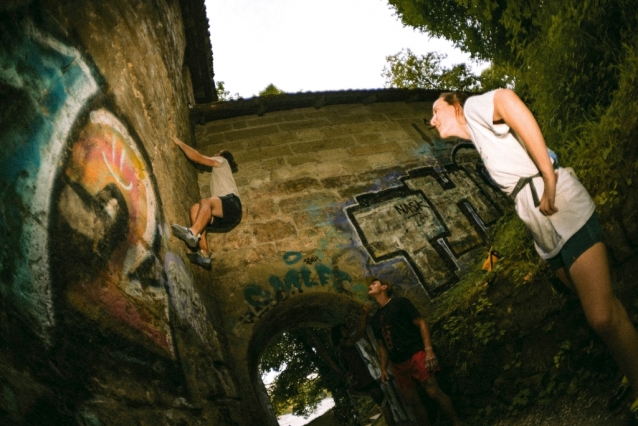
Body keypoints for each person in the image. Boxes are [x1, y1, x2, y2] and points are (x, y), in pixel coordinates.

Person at [430, 89, 638, 423]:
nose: (431, 118)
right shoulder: (480, 139)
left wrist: (550, 179)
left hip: (561, 208)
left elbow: (507, 99)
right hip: (544, 230)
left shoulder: (472, 107)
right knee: (604, 313)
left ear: (453, 104)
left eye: (436, 109)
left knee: (601, 316)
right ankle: (631, 374)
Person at [368, 277, 461, 426]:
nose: (370, 286)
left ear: (384, 287)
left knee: (433, 391)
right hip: (397, 363)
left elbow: (421, 322)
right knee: (412, 402)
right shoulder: (375, 319)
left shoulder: (400, 303)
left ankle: (457, 423)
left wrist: (428, 350)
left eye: (374, 283)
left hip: (415, 353)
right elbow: (381, 345)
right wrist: (383, 368)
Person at [170, 136, 242, 270]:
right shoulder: (221, 173)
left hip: (232, 204)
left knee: (205, 202)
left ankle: (192, 233)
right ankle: (204, 255)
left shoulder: (222, 160)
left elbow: (197, 157)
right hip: (226, 218)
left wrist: (179, 142)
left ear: (221, 155)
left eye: (217, 152)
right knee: (196, 209)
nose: (215, 154)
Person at [331, 303, 396, 426]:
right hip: (364, 380)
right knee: (385, 406)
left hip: (362, 380)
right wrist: (364, 315)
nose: (346, 331)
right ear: (339, 334)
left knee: (384, 404)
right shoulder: (343, 345)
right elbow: (359, 334)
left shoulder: (339, 349)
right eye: (343, 330)